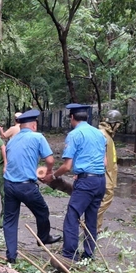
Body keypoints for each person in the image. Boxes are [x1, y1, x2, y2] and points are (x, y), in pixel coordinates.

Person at [46, 103, 106, 261]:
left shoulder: (74, 134)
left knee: (72, 216)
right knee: (91, 219)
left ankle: (69, 254)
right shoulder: (99, 134)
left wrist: (53, 176)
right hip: (100, 181)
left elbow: (66, 166)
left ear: (72, 118)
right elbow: (104, 162)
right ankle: (88, 254)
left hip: (86, 183)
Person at [3, 109, 61, 263]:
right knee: (42, 211)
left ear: (20, 126)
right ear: (34, 125)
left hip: (9, 185)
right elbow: (50, 160)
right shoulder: (38, 137)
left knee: (10, 220)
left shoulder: (12, 140)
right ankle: (43, 237)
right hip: (26, 186)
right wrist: (48, 173)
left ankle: (11, 256)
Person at [96, 110, 122, 229]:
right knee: (105, 199)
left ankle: (96, 227)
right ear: (114, 124)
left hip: (108, 174)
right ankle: (90, 223)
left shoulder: (107, 135)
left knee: (100, 200)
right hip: (105, 175)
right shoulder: (102, 135)